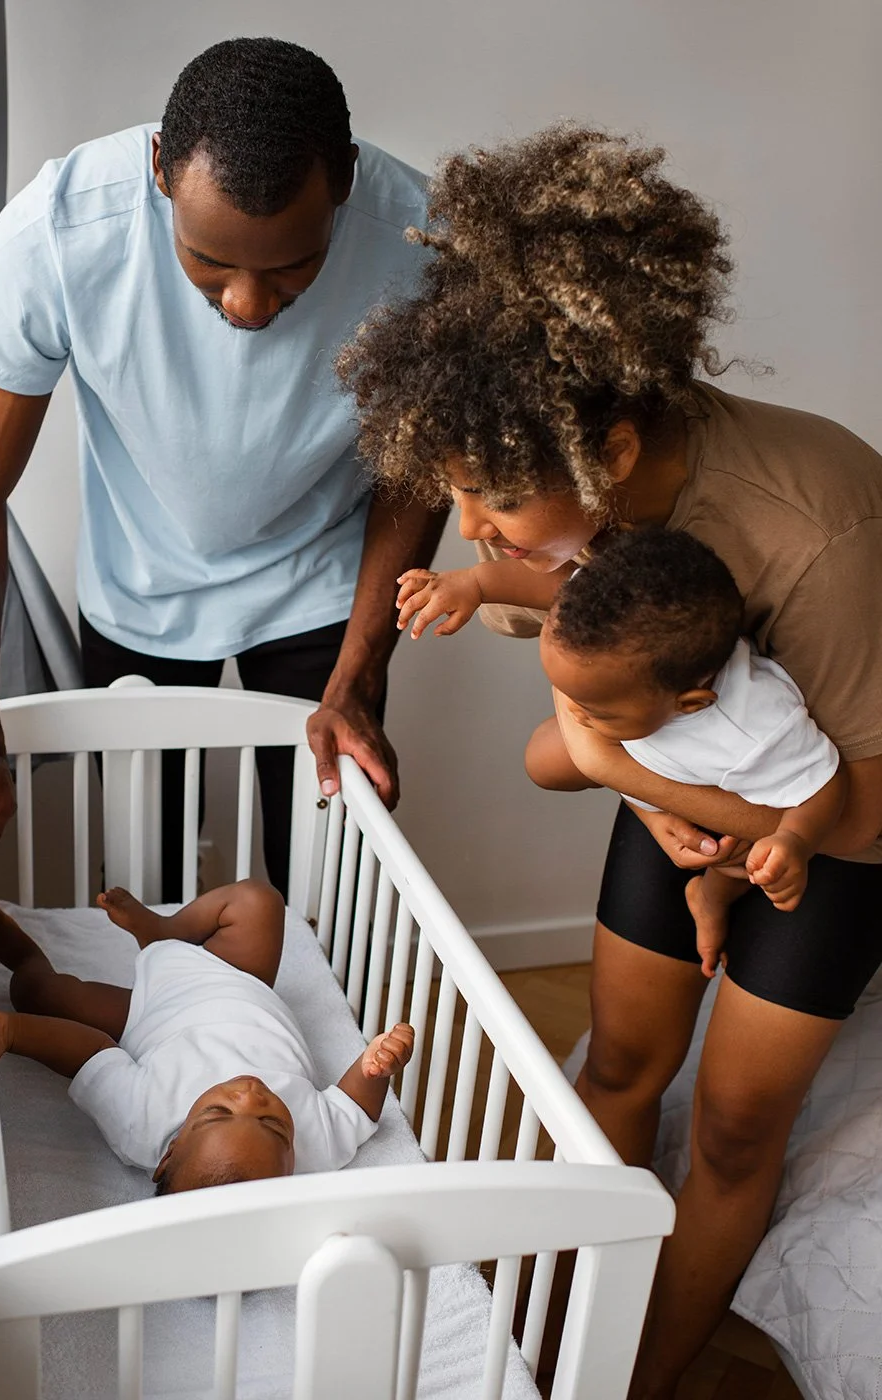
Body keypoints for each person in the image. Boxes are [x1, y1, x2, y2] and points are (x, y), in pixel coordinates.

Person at [336, 125, 882, 1398]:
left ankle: (635, 1378)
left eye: (491, 504)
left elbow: (854, 792)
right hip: (679, 786)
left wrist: (655, 794)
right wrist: (648, 793)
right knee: (623, 1062)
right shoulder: (567, 527)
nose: (472, 530)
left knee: (739, 1126)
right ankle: (548, 1324)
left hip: (834, 824)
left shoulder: (815, 527)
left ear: (614, 456)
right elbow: (587, 729)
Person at [0, 37, 444, 902]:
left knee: (329, 875)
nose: (247, 303)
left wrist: (364, 669)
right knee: (140, 871)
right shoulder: (63, 228)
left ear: (343, 182)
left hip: (323, 582)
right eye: (209, 261)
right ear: (160, 171)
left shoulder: (421, 244)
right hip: (142, 584)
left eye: (290, 267)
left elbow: (417, 471)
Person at [398, 527, 847, 976]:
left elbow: (824, 785)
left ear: (689, 704)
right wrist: (474, 583)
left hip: (716, 791)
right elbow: (559, 584)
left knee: (742, 862)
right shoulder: (607, 615)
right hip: (654, 758)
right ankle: (649, 802)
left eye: (599, 710)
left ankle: (709, 898)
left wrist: (794, 841)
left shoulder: (757, 730)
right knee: (541, 760)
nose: (575, 711)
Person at [0, 880, 414, 1194]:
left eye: (217, 1113)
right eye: (273, 1125)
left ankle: (25, 957)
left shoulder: (141, 1122)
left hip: (146, 1014)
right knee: (259, 901)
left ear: (169, 1153)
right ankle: (163, 932)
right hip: (242, 980)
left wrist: (15, 1032)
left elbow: (91, 1051)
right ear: (292, 1167)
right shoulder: (314, 1147)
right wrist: (376, 1066)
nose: (249, 1096)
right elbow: (355, 1108)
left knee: (39, 993)